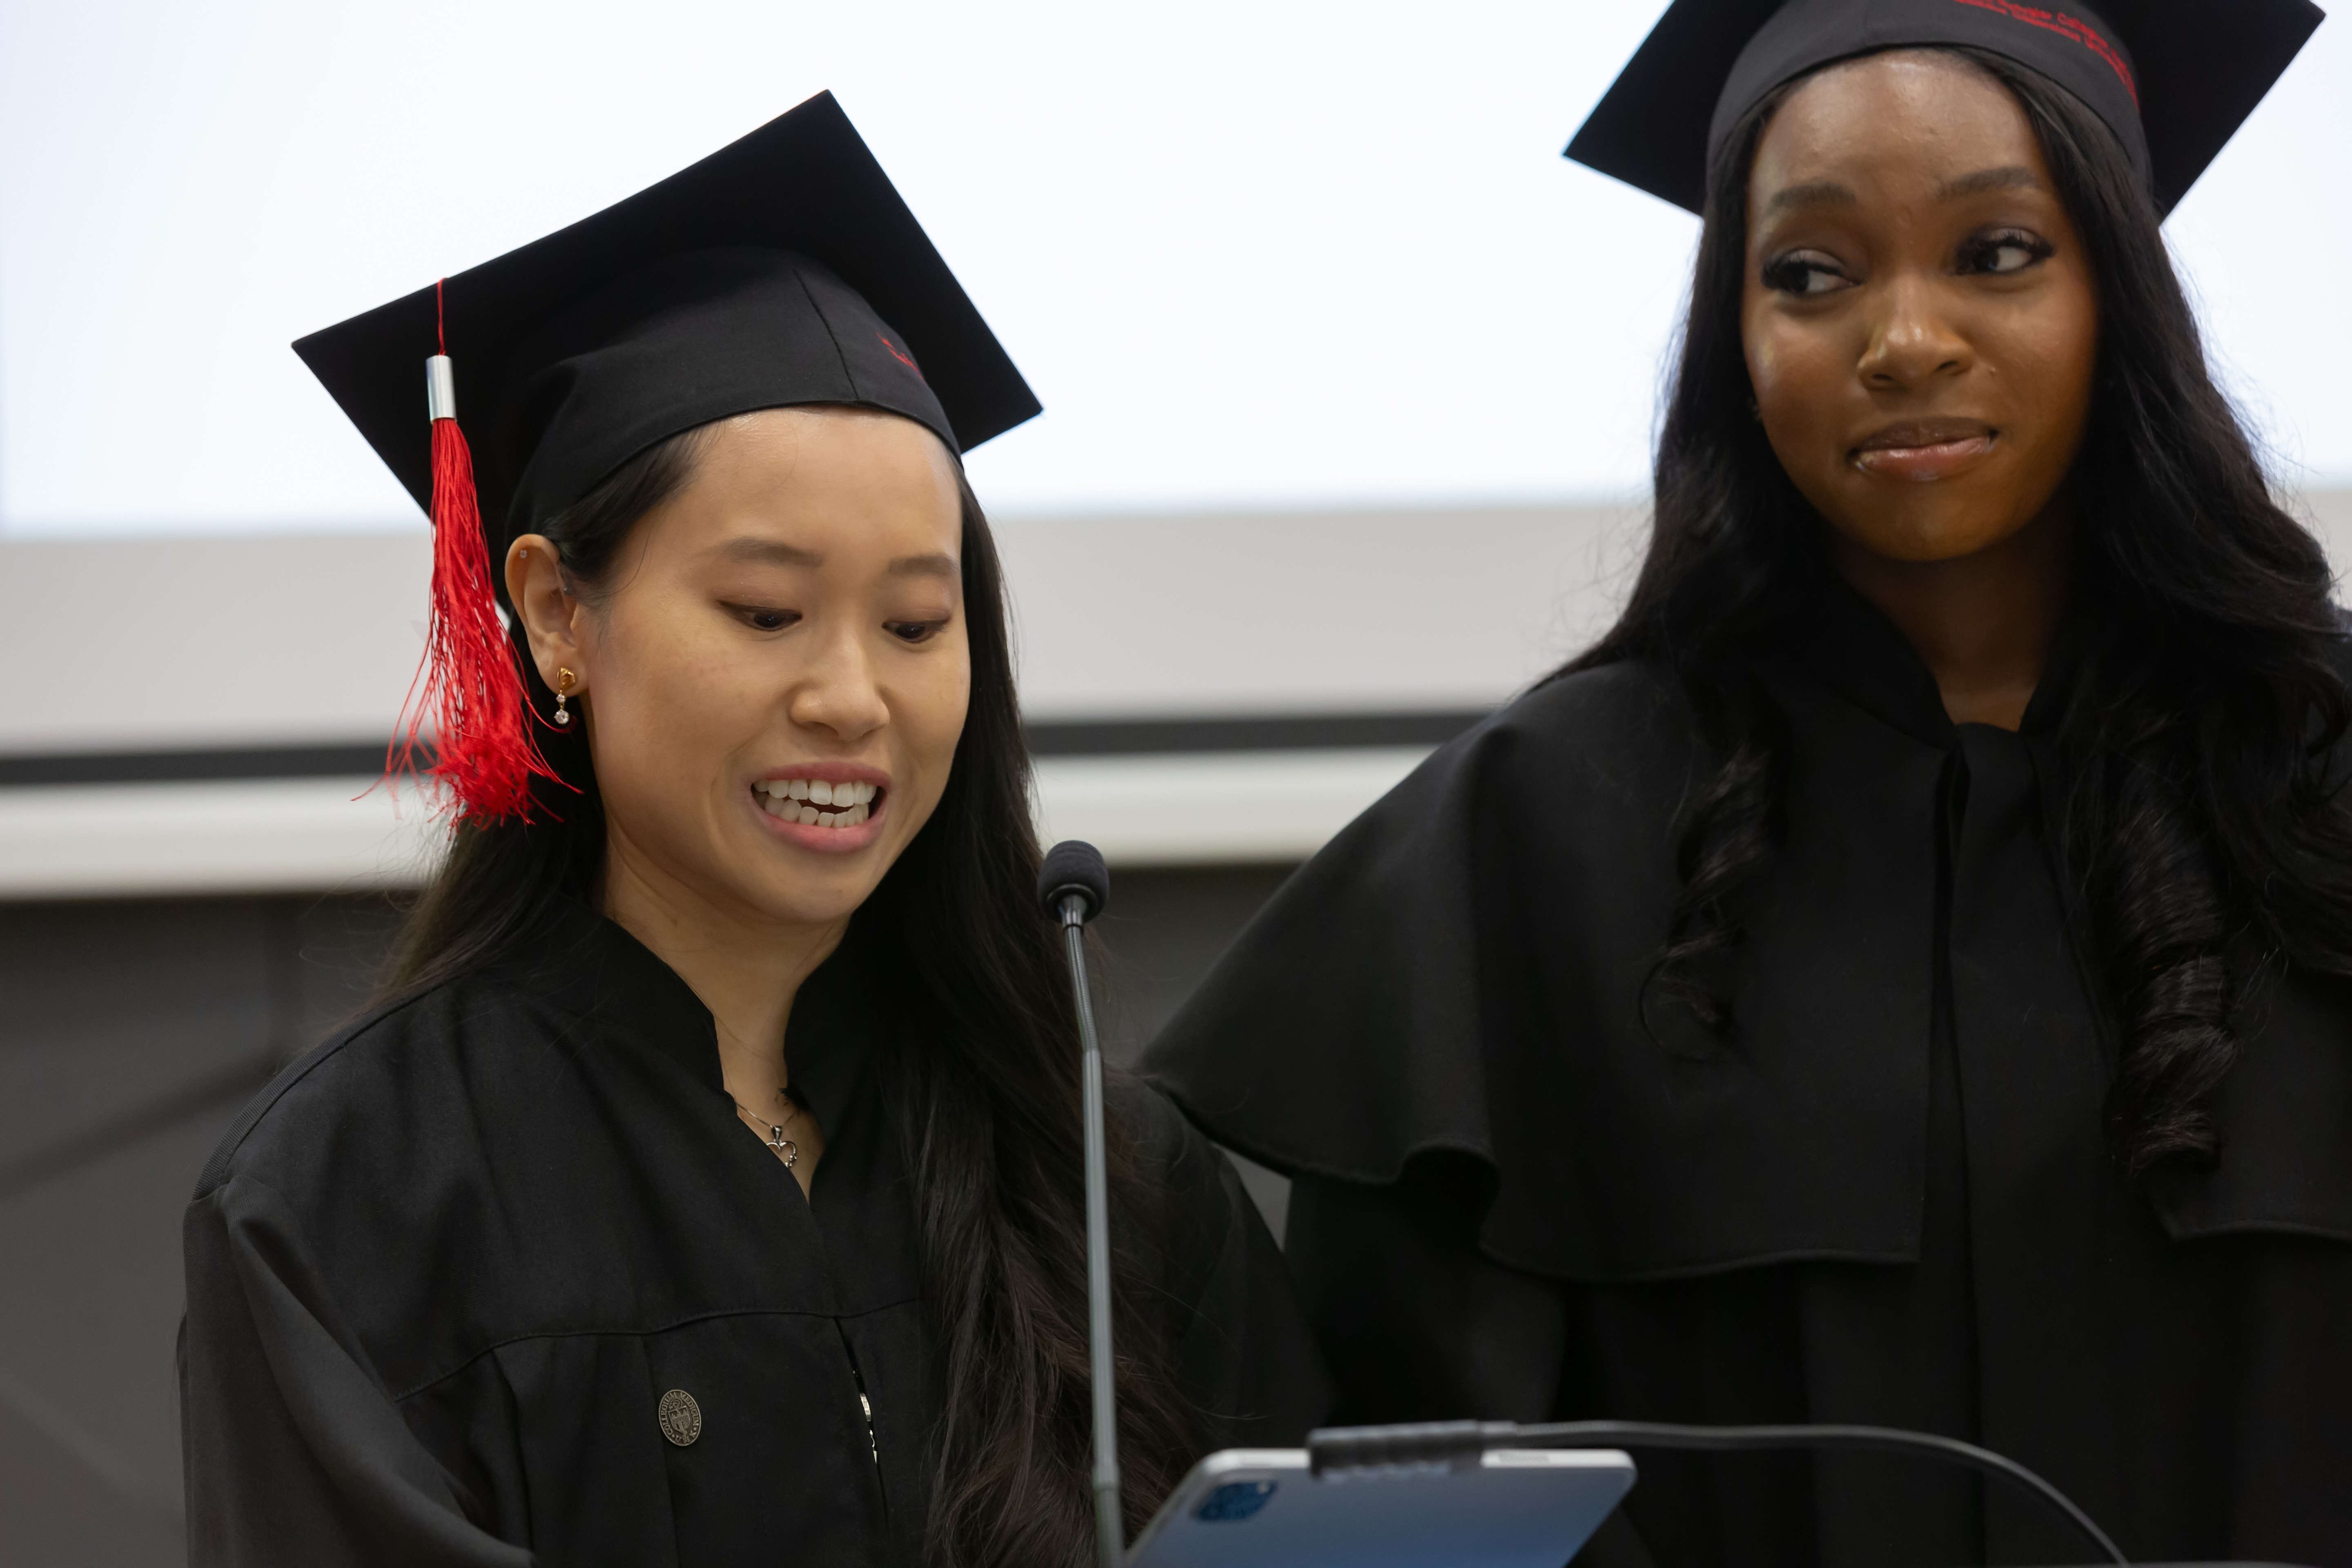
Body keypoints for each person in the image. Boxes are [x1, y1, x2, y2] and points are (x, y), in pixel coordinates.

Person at [1142, 1, 2350, 1563]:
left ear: (2118, 291)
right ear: (1736, 335)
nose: (1904, 339)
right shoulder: (1534, 839)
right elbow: (1409, 1511)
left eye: (1996, 252)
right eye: (1812, 274)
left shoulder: (2325, 784)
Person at [180, 94, 1328, 1568]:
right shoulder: (354, 1203)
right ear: (555, 613)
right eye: (767, 612)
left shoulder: (1110, 1184)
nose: (852, 698)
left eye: (916, 623)